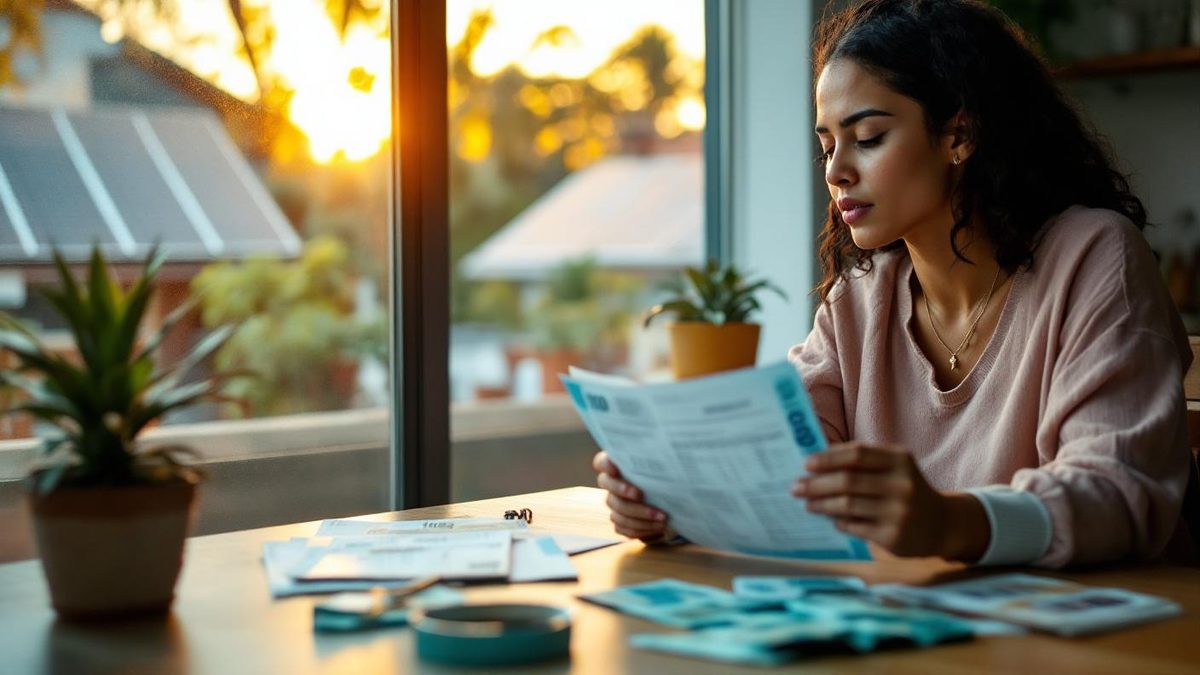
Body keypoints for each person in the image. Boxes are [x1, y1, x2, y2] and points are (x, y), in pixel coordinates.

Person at [593, 0, 1197, 568]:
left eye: (869, 137)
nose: (836, 170)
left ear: (959, 135)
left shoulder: (1094, 255)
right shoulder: (861, 296)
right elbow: (782, 463)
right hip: (925, 628)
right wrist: (671, 500)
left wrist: (948, 522)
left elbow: (1117, 492)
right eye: (826, 145)